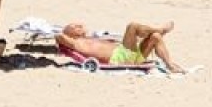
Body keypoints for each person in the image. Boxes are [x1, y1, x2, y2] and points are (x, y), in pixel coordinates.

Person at [55, 20, 185, 73]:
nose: (79, 26)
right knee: (132, 26)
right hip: (121, 58)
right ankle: (161, 29)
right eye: (74, 26)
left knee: (155, 37)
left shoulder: (91, 38)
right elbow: (58, 36)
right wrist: (63, 32)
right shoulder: (75, 43)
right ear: (69, 33)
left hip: (131, 55)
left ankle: (170, 65)